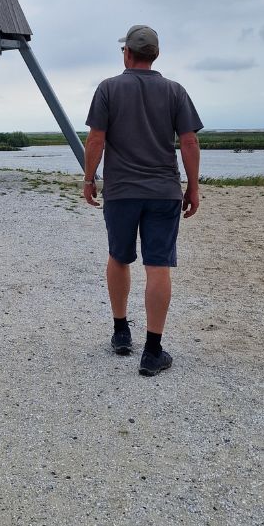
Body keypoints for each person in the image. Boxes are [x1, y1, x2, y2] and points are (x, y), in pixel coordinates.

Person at [83, 25, 202, 377]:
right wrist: (192, 188)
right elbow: (190, 143)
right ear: (155, 55)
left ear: (127, 53)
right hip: (164, 191)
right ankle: (152, 351)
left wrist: (89, 179)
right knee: (158, 265)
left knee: (119, 258)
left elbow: (95, 140)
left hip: (121, 192)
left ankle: (121, 333)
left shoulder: (108, 88)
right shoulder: (175, 91)